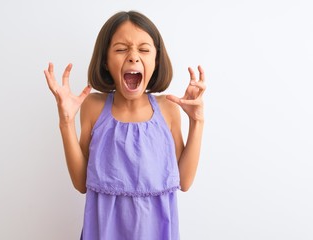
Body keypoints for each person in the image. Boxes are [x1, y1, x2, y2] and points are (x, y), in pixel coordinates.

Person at [44, 10, 205, 240]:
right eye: (121, 49)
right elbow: (81, 183)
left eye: (144, 49)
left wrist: (197, 121)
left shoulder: (168, 109)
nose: (133, 56)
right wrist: (66, 122)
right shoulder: (93, 106)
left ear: (156, 60)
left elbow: (185, 181)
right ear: (106, 61)